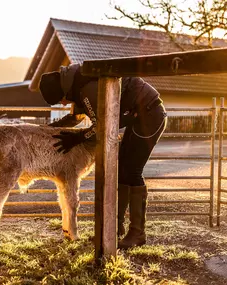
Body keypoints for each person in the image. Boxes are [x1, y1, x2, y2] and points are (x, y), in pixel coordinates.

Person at [39, 63, 167, 249]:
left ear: (62, 90)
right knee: (123, 170)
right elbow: (75, 118)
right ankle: (115, 228)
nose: (65, 104)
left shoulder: (85, 87)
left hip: (150, 114)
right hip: (137, 115)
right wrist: (45, 131)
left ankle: (137, 233)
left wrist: (78, 137)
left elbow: (102, 126)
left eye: (62, 100)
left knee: (132, 172)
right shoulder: (75, 81)